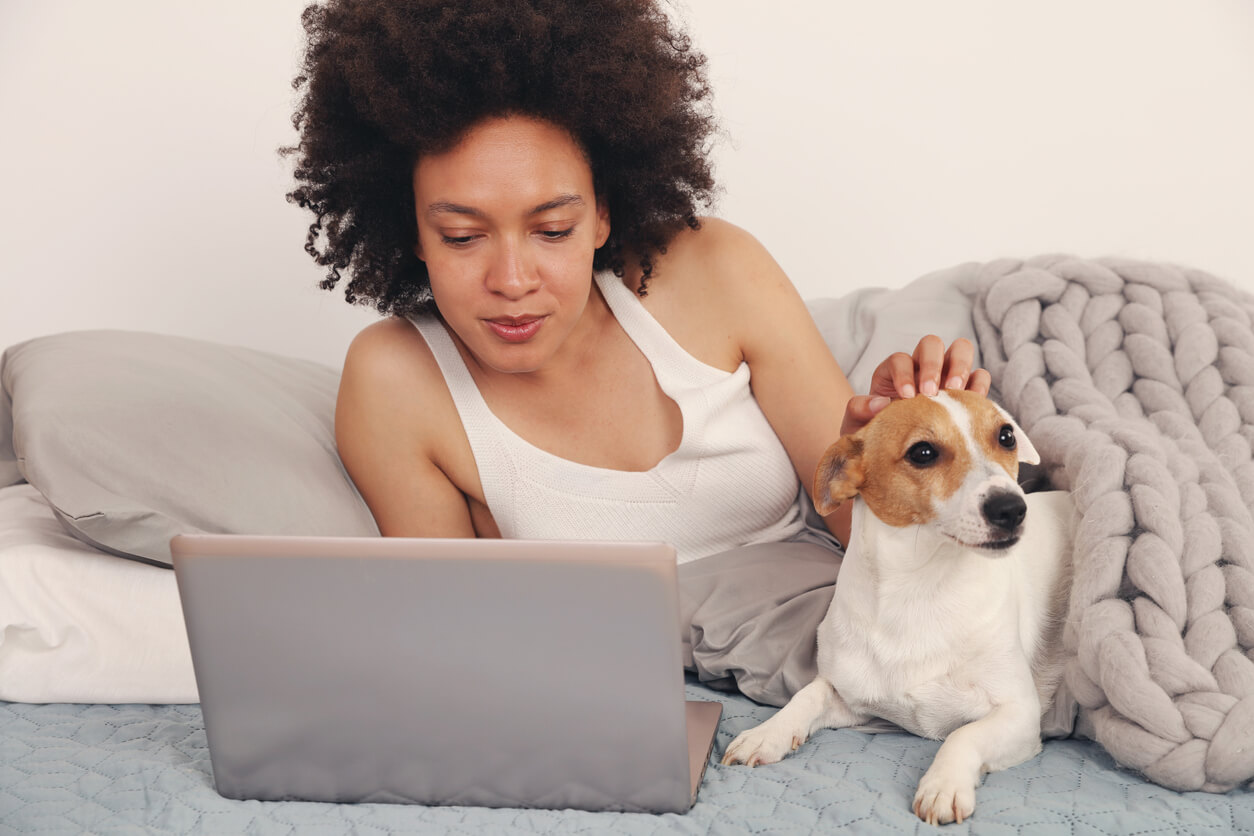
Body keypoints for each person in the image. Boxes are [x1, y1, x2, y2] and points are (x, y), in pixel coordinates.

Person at [286, 0, 989, 703]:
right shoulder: (396, 380)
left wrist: (897, 442)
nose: (512, 281)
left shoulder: (712, 267)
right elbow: (458, 653)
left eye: (553, 230)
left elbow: (871, 535)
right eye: (463, 237)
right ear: (409, 230)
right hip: (617, 693)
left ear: (602, 214)